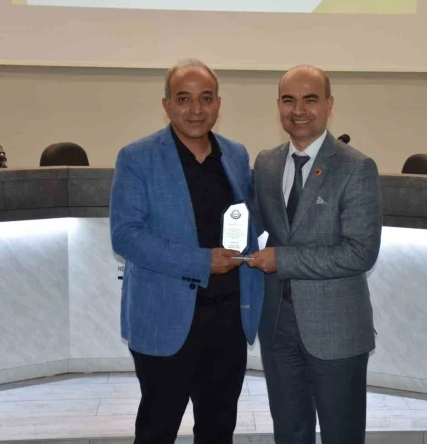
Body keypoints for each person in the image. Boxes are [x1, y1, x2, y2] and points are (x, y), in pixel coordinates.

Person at [109, 59, 263, 444]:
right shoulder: (137, 157)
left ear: (218, 103)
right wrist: (201, 262)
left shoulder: (236, 155)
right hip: (165, 320)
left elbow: (249, 221)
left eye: (206, 98)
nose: (196, 109)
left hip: (228, 319)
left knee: (218, 430)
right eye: (184, 99)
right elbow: (126, 236)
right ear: (166, 105)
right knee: (157, 430)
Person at [247, 65, 382, 444]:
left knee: (342, 434)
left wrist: (282, 260)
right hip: (277, 326)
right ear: (278, 105)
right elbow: (250, 224)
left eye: (310, 99)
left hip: (336, 329)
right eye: (288, 100)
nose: (298, 110)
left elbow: (360, 253)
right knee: (289, 432)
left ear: (329, 104)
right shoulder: (266, 163)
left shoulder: (356, 167)